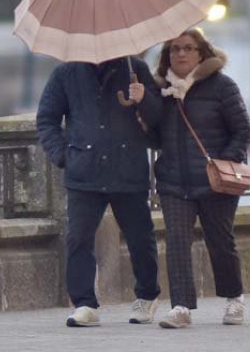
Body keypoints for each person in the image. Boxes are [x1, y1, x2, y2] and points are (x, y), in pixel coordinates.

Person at [37, 55, 163, 327]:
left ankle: (147, 295)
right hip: (85, 171)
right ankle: (84, 303)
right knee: (79, 239)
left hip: (128, 168)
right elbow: (46, 120)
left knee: (140, 237)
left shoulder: (134, 68)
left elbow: (158, 118)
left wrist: (145, 98)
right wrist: (63, 156)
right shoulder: (65, 74)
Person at [151, 28, 250, 329]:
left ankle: (234, 298)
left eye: (187, 48)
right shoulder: (161, 92)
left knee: (220, 242)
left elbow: (242, 130)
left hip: (214, 183)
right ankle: (181, 307)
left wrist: (225, 162)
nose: (180, 54)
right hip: (173, 181)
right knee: (177, 244)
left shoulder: (222, 86)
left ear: (201, 52)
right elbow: (152, 137)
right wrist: (140, 108)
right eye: (174, 49)